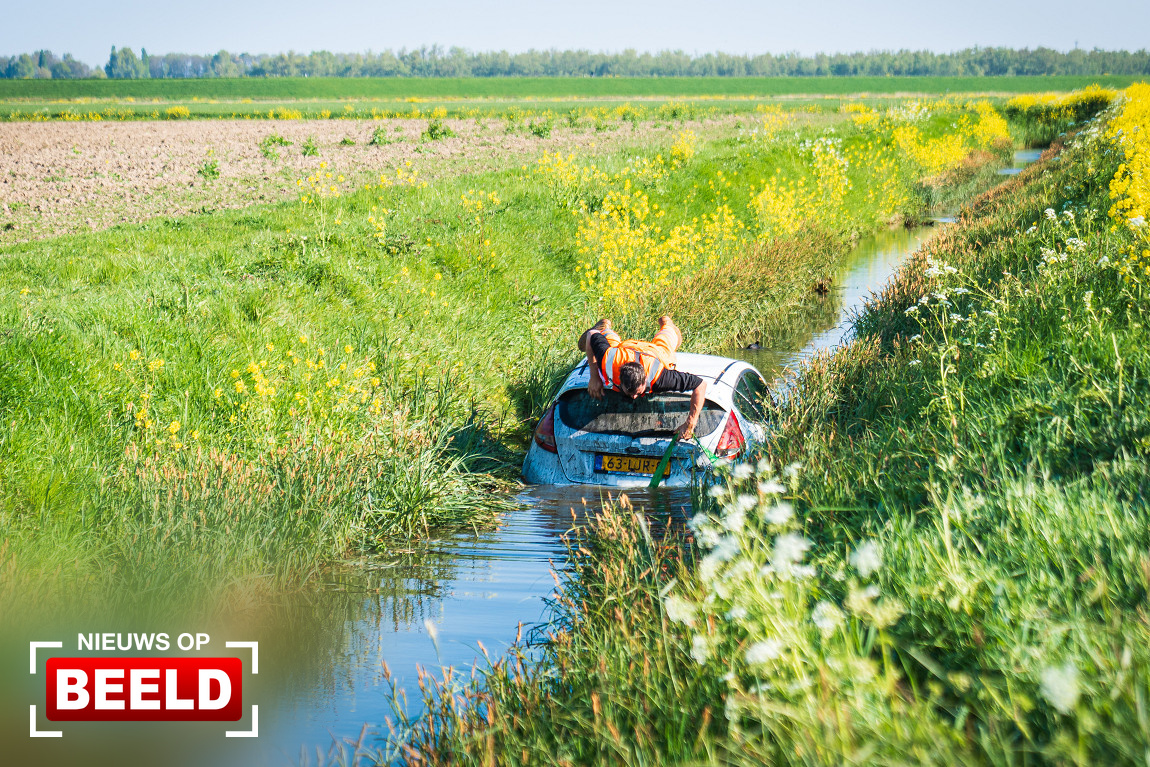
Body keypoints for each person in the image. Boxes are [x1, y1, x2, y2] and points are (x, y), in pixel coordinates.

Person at [577, 316, 707, 438]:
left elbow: (700, 385)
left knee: (666, 340)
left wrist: (691, 423)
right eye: (630, 392)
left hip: (655, 353)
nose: (634, 397)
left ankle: (667, 324)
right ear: (620, 379)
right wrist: (594, 377)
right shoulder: (610, 360)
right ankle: (605, 328)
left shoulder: (661, 377)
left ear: (645, 380)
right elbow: (591, 335)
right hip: (623, 351)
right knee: (607, 343)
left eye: (637, 392)